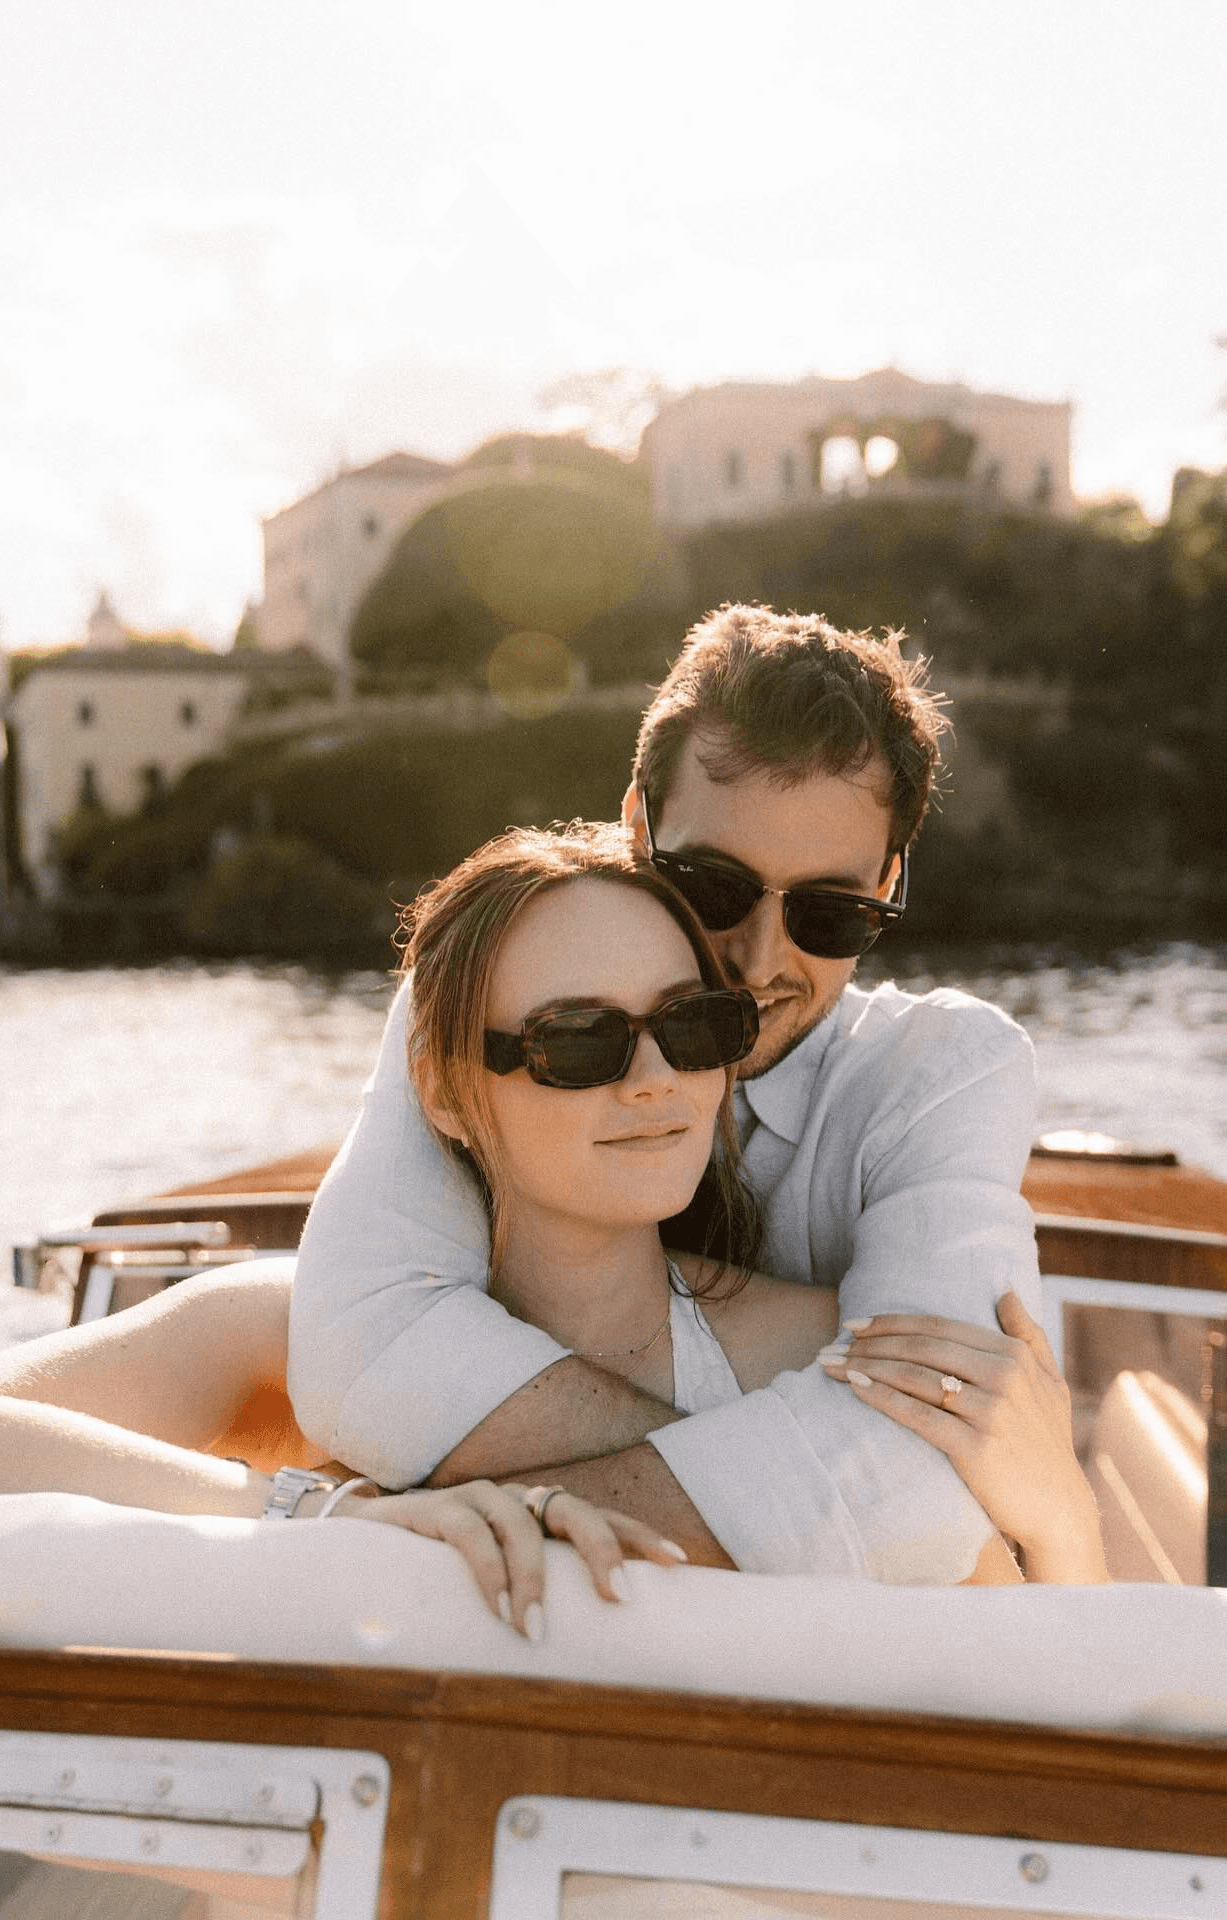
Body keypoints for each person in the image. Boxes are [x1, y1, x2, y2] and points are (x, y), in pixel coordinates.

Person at [288, 605, 1080, 1582]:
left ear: (891, 877)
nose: (756, 959)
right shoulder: (490, 994)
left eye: (831, 912)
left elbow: (922, 1457)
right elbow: (363, 1351)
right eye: (712, 885)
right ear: (636, 826)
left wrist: (466, 1524)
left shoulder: (943, 1070)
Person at [0, 1265, 690, 1642]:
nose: (653, 1077)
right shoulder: (305, 1332)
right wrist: (325, 1511)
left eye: (701, 1027)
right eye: (572, 1042)